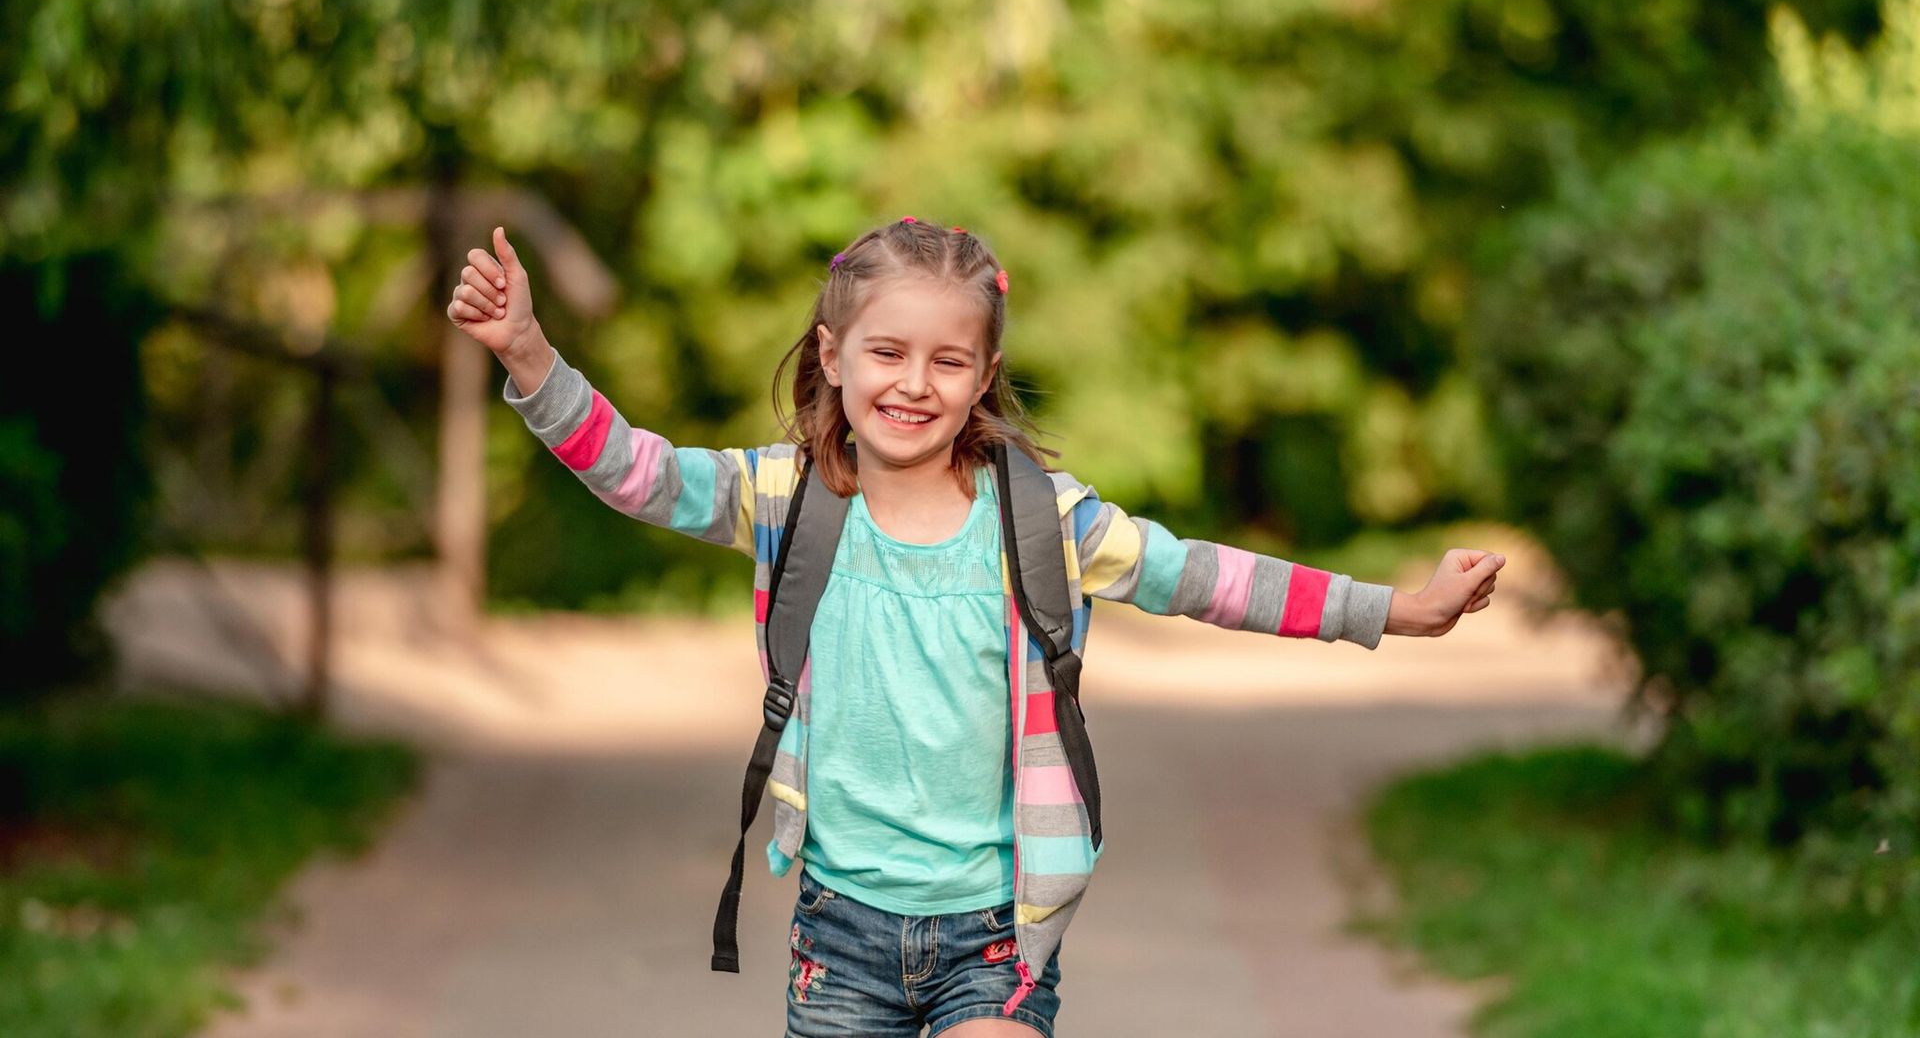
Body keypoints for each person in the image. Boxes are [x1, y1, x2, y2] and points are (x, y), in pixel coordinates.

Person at [444, 217, 1505, 1037]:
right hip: (838, 935)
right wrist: (531, 355)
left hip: (1000, 935)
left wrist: (1396, 611)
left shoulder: (1041, 518)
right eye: (887, 352)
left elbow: (1206, 578)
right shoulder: (787, 498)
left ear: (983, 375)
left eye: (948, 361)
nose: (914, 383)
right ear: (833, 354)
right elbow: (640, 474)